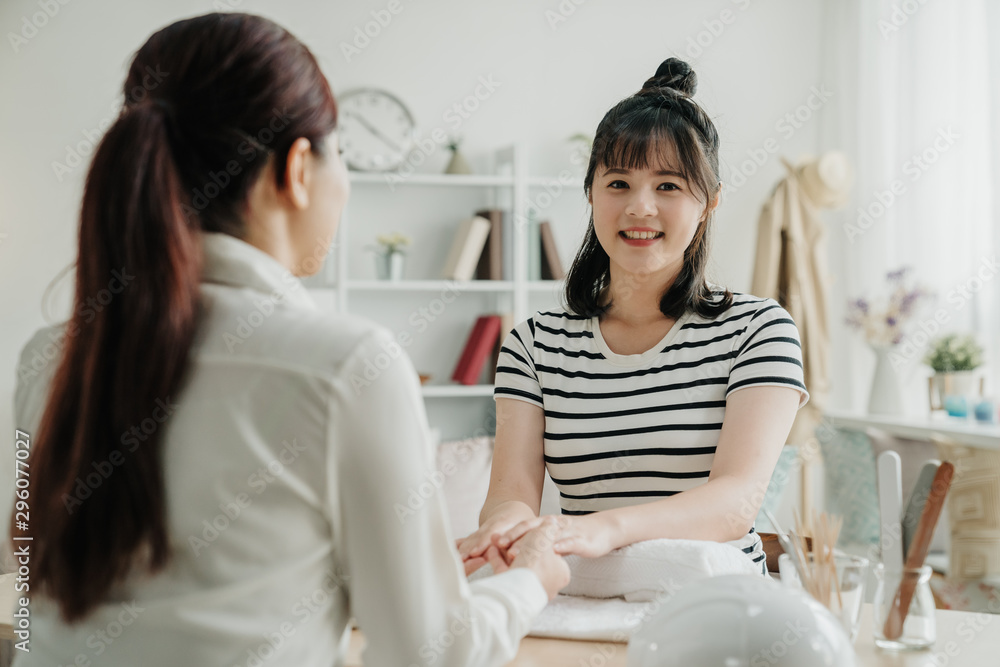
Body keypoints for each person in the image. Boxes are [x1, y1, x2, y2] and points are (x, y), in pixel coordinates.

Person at [9, 13, 568, 667]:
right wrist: (530, 580)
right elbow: (431, 655)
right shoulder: (347, 365)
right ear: (298, 167)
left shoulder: (47, 358)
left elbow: (52, 598)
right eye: (344, 157)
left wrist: (405, 564)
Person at [457, 58, 809, 577]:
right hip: (581, 595)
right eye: (618, 182)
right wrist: (504, 527)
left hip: (714, 606)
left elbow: (735, 504)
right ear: (591, 193)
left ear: (708, 202)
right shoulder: (533, 345)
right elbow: (511, 493)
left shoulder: (759, 331)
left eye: (668, 186)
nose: (639, 207)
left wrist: (603, 528)